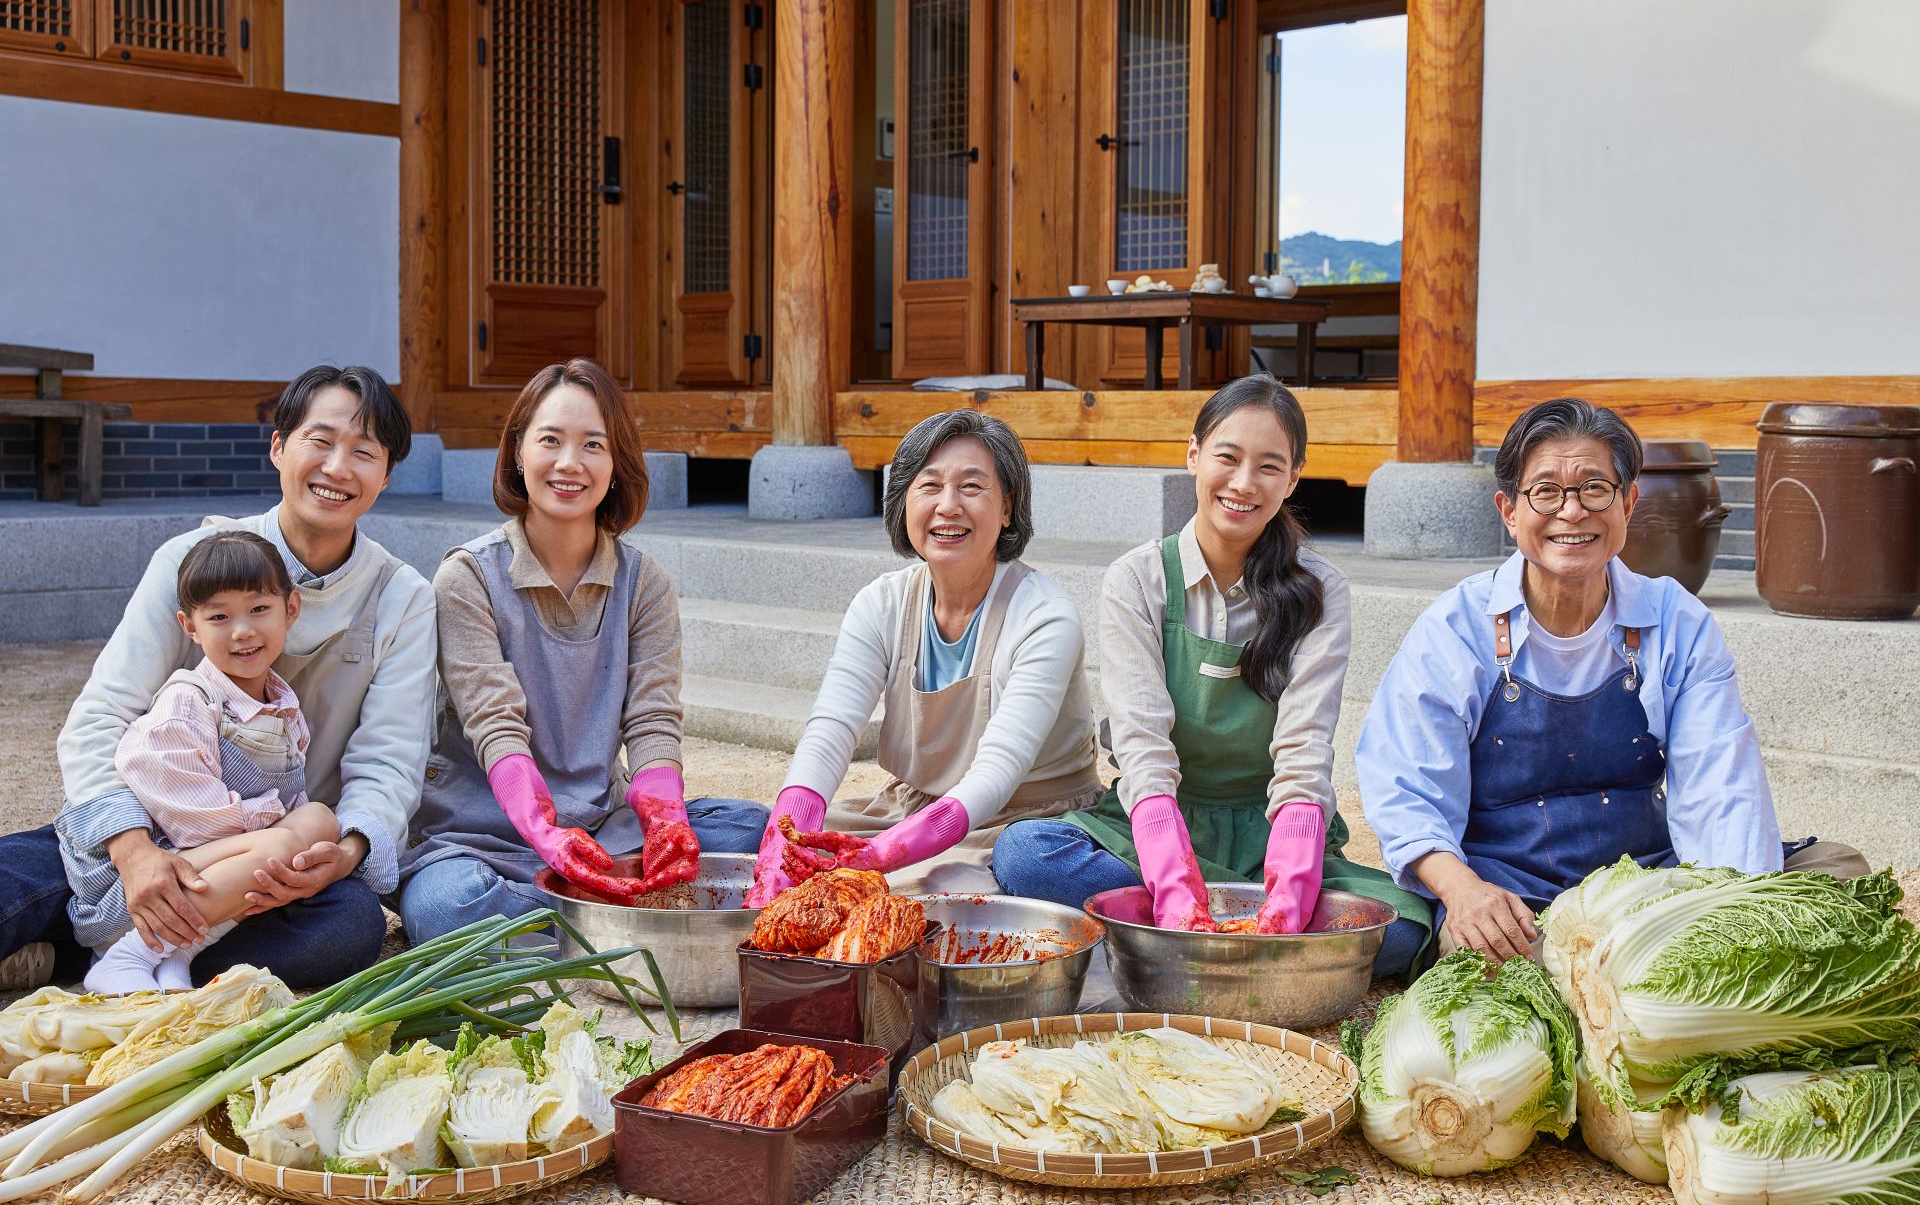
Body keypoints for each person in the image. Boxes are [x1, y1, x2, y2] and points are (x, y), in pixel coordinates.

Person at [1355, 397, 1868, 963]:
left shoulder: (1677, 621)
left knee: (1839, 871)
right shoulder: (1456, 627)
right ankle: (1630, 966)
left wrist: (1732, 910)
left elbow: (1720, 783)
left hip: (1646, 882)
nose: (1571, 512)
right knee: (1478, 948)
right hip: (1511, 892)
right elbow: (1408, 794)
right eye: (1545, 491)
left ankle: (1635, 958)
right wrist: (1464, 892)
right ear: (1509, 511)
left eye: (1594, 488)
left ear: (1628, 502)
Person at [1, 365, 435, 992]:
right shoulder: (189, 560)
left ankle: (98, 953)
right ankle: (117, 946)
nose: (338, 468)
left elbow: (388, 764)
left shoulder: (403, 598)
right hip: (149, 825)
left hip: (271, 858)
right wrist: (133, 851)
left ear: (386, 475)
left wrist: (345, 853)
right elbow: (100, 716)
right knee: (20, 874)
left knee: (348, 928)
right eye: (320, 440)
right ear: (279, 446)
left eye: (363, 452)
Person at [992, 376, 1431, 977]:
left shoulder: (1321, 589)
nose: (1244, 483)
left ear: (1294, 479)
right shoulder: (1138, 579)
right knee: (1026, 855)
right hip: (1161, 823)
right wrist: (1170, 872)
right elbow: (1142, 745)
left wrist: (1297, 854)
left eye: (1269, 467)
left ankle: (1188, 942)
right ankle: (1260, 948)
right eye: (1227, 457)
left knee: (1406, 928)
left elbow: (1306, 744)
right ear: (1193, 455)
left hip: (1270, 830)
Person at [398, 359, 766, 941]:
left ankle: (575, 913)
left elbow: (652, 720)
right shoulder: (467, 577)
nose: (570, 463)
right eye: (550, 440)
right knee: (448, 909)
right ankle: (615, 917)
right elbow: (495, 726)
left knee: (752, 830)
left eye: (593, 444)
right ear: (518, 451)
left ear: (616, 463)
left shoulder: (644, 582)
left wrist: (665, 819)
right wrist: (544, 833)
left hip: (605, 826)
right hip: (488, 834)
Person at [745, 410, 1101, 902]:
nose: (948, 506)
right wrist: (790, 830)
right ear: (904, 503)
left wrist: (885, 855)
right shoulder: (882, 602)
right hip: (910, 810)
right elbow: (832, 728)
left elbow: (999, 770)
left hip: (1024, 820)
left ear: (1007, 508)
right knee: (748, 833)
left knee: (996, 872)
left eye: (972, 487)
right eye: (928, 486)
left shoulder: (1044, 615)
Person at [75, 532, 342, 993]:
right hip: (151, 882)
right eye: (219, 617)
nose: (242, 631)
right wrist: (278, 830)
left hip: (216, 881)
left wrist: (301, 841)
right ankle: (126, 955)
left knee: (319, 820)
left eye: (259, 609)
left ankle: (180, 952)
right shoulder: (188, 702)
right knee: (279, 847)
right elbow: (195, 824)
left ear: (291, 609)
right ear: (190, 626)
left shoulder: (283, 705)